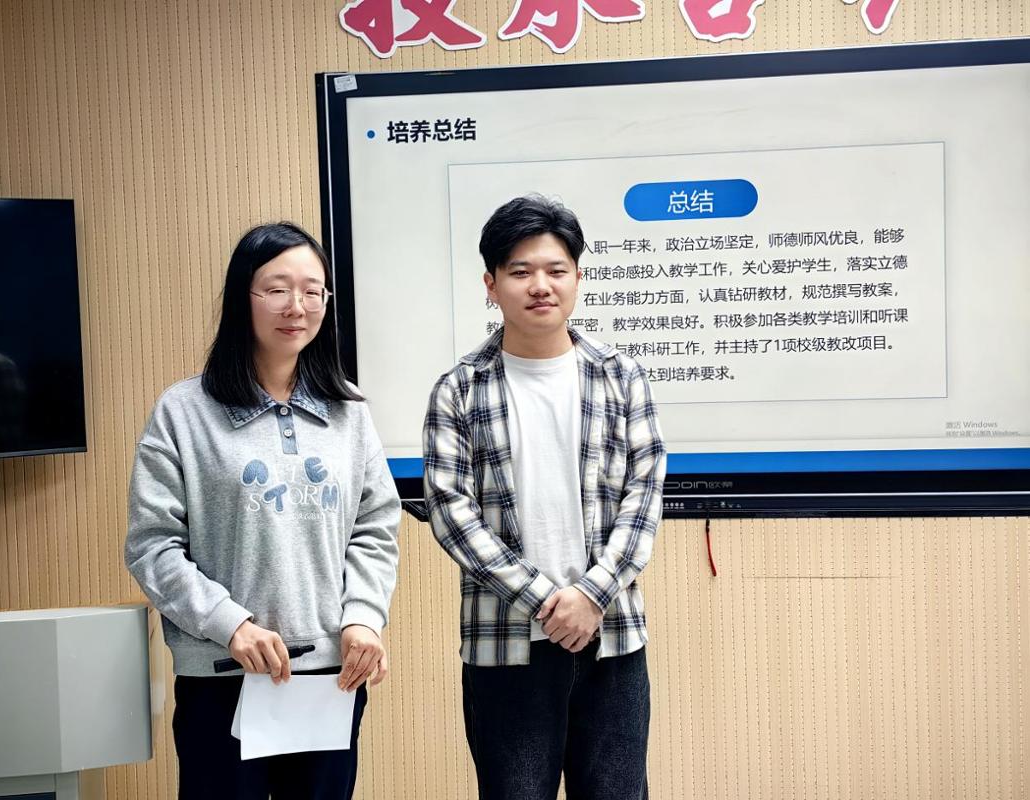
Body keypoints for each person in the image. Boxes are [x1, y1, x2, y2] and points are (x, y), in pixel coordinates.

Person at [125, 222, 400, 799]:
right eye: (276, 289)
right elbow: (153, 545)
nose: (296, 306)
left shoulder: (349, 412)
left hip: (330, 678)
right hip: (223, 674)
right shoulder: (183, 412)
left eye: (312, 291)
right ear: (241, 297)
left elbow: (375, 528)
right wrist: (231, 625)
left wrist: (363, 618)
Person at [422, 195, 666, 799]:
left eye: (556, 270)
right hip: (506, 646)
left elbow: (643, 499)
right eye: (520, 271)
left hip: (612, 639)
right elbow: (451, 514)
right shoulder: (459, 389)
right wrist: (548, 603)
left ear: (578, 277)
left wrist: (591, 595)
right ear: (491, 284)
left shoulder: (621, 376)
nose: (541, 285)